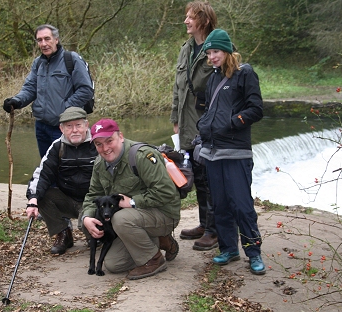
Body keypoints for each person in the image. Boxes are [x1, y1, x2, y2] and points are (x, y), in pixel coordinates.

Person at [197, 29, 265, 275]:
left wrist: (234, 122)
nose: (212, 57)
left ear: (227, 51)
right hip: (213, 153)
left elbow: (256, 109)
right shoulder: (213, 78)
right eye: (209, 53)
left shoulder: (244, 73)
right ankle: (228, 249)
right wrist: (202, 132)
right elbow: (209, 111)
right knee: (221, 206)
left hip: (236, 152)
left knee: (242, 205)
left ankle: (254, 253)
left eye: (215, 52)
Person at [81, 119, 181, 280]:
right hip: (134, 219)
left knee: (120, 219)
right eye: (99, 144)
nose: (105, 148)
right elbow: (93, 195)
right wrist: (86, 218)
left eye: (109, 141)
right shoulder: (100, 163)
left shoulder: (142, 156)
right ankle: (158, 240)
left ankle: (154, 260)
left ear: (120, 136)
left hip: (163, 213)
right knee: (114, 265)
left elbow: (167, 192)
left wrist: (133, 202)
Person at [170, 1, 219, 250]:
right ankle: (204, 223)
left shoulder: (218, 48)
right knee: (198, 176)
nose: (186, 21)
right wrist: (175, 121)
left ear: (204, 20)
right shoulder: (186, 49)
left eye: (190, 17)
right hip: (187, 124)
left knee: (210, 179)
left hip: (209, 125)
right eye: (186, 17)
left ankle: (214, 229)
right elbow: (178, 88)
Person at [3, 24, 94, 158]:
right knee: (47, 167)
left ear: (56, 39)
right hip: (41, 126)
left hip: (66, 127)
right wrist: (16, 101)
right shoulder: (38, 63)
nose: (44, 43)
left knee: (67, 167)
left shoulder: (72, 60)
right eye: (40, 40)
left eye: (47, 39)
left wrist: (65, 109)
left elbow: (86, 90)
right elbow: (30, 88)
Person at [25, 107, 98, 255]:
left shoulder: (98, 144)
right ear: (61, 128)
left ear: (86, 125)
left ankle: (94, 234)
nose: (74, 130)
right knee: (42, 195)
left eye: (78, 125)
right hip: (67, 198)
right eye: (69, 126)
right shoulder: (57, 146)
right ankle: (63, 233)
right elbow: (42, 175)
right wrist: (32, 200)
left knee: (95, 235)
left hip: (93, 200)